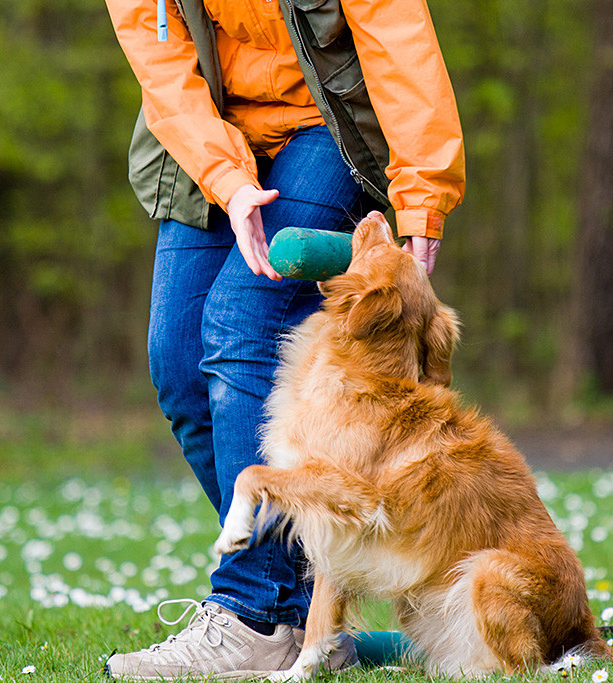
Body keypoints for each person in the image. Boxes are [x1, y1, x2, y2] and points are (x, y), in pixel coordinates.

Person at [103, 0, 465, 678]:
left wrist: (423, 194)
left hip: (322, 125)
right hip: (212, 129)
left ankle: (255, 614)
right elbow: (163, 64)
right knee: (177, 358)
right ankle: (305, 613)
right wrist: (231, 184)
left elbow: (396, 31)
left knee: (241, 320)